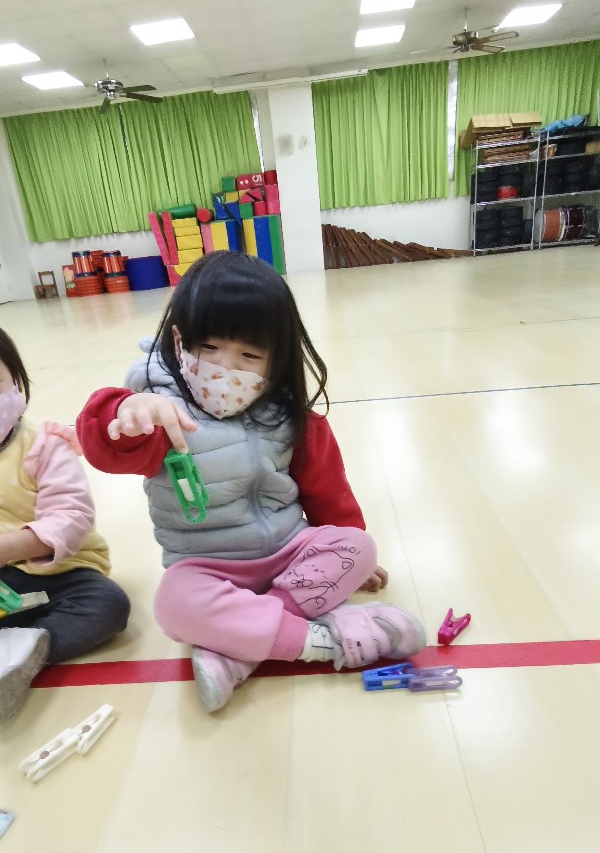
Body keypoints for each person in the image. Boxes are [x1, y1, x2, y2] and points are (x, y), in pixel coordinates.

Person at [76, 253, 425, 713]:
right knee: (173, 604)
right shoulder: (158, 410)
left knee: (359, 547)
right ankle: (320, 641)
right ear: (179, 339)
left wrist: (350, 554)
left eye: (249, 355)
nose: (225, 369)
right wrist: (124, 412)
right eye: (209, 347)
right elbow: (104, 446)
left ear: (276, 359)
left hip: (289, 553)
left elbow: (328, 493)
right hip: (208, 568)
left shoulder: (290, 416)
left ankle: (239, 649)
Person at [0, 329, 130, 720]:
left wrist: (7, 548)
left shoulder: (43, 444)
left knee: (107, 605)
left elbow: (71, 517)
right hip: (7, 583)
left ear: (15, 380)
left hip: (63, 574)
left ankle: (24, 651)